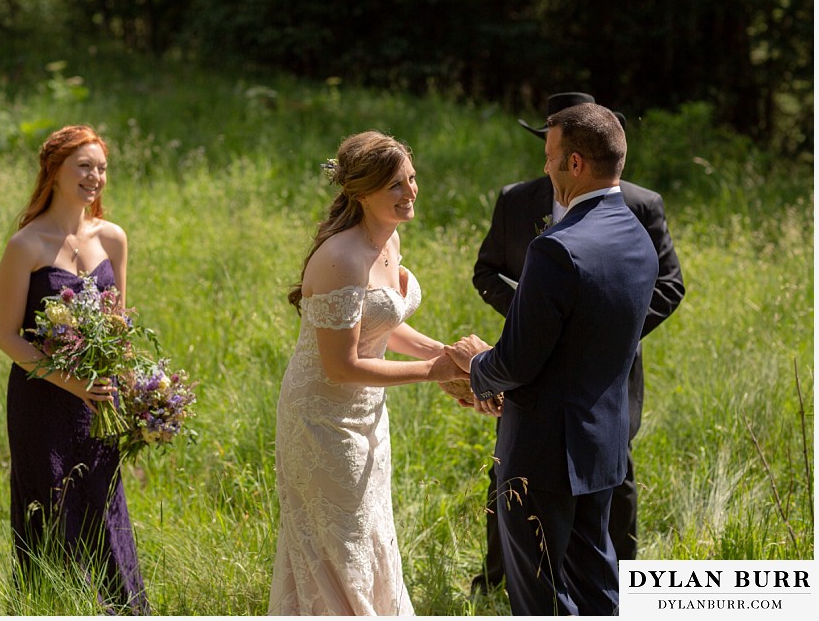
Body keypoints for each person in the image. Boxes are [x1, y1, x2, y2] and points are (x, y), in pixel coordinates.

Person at [446, 103, 659, 615]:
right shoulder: (637, 238)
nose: (545, 167)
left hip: (542, 456)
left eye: (550, 156)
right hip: (603, 446)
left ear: (577, 164)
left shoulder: (555, 249)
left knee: (539, 597)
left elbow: (517, 363)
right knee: (597, 587)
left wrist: (476, 367)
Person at [268, 130, 468, 615]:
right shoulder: (341, 258)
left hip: (367, 414)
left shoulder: (390, 240)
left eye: (411, 180)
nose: (409, 193)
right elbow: (342, 365)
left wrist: (457, 361)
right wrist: (432, 370)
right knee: (341, 542)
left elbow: (385, 323)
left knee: (370, 531)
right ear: (361, 193)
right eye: (394, 186)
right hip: (321, 422)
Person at [0, 125, 148, 614]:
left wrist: (137, 397)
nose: (95, 177)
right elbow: (7, 336)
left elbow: (119, 324)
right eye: (84, 166)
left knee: (105, 509)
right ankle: (51, 608)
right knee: (50, 510)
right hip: (41, 402)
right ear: (54, 172)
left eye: (101, 167)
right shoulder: (26, 244)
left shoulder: (113, 238)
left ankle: (122, 610)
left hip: (100, 399)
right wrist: (73, 384)